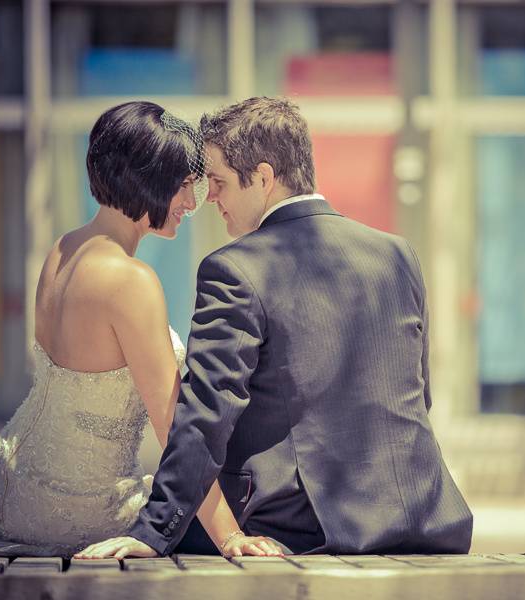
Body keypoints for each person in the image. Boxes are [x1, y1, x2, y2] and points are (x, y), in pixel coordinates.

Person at [78, 97, 473, 559]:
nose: (212, 200)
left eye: (220, 183)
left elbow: (207, 410)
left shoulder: (234, 269)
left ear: (263, 178)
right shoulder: (397, 254)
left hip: (299, 527)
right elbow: (416, 395)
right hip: (423, 515)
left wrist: (153, 530)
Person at [0, 101, 281, 558]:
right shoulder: (130, 281)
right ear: (149, 181)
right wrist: (231, 537)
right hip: (74, 505)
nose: (192, 204)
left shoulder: (63, 248)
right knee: (256, 513)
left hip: (7, 483)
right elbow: (173, 424)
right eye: (184, 187)